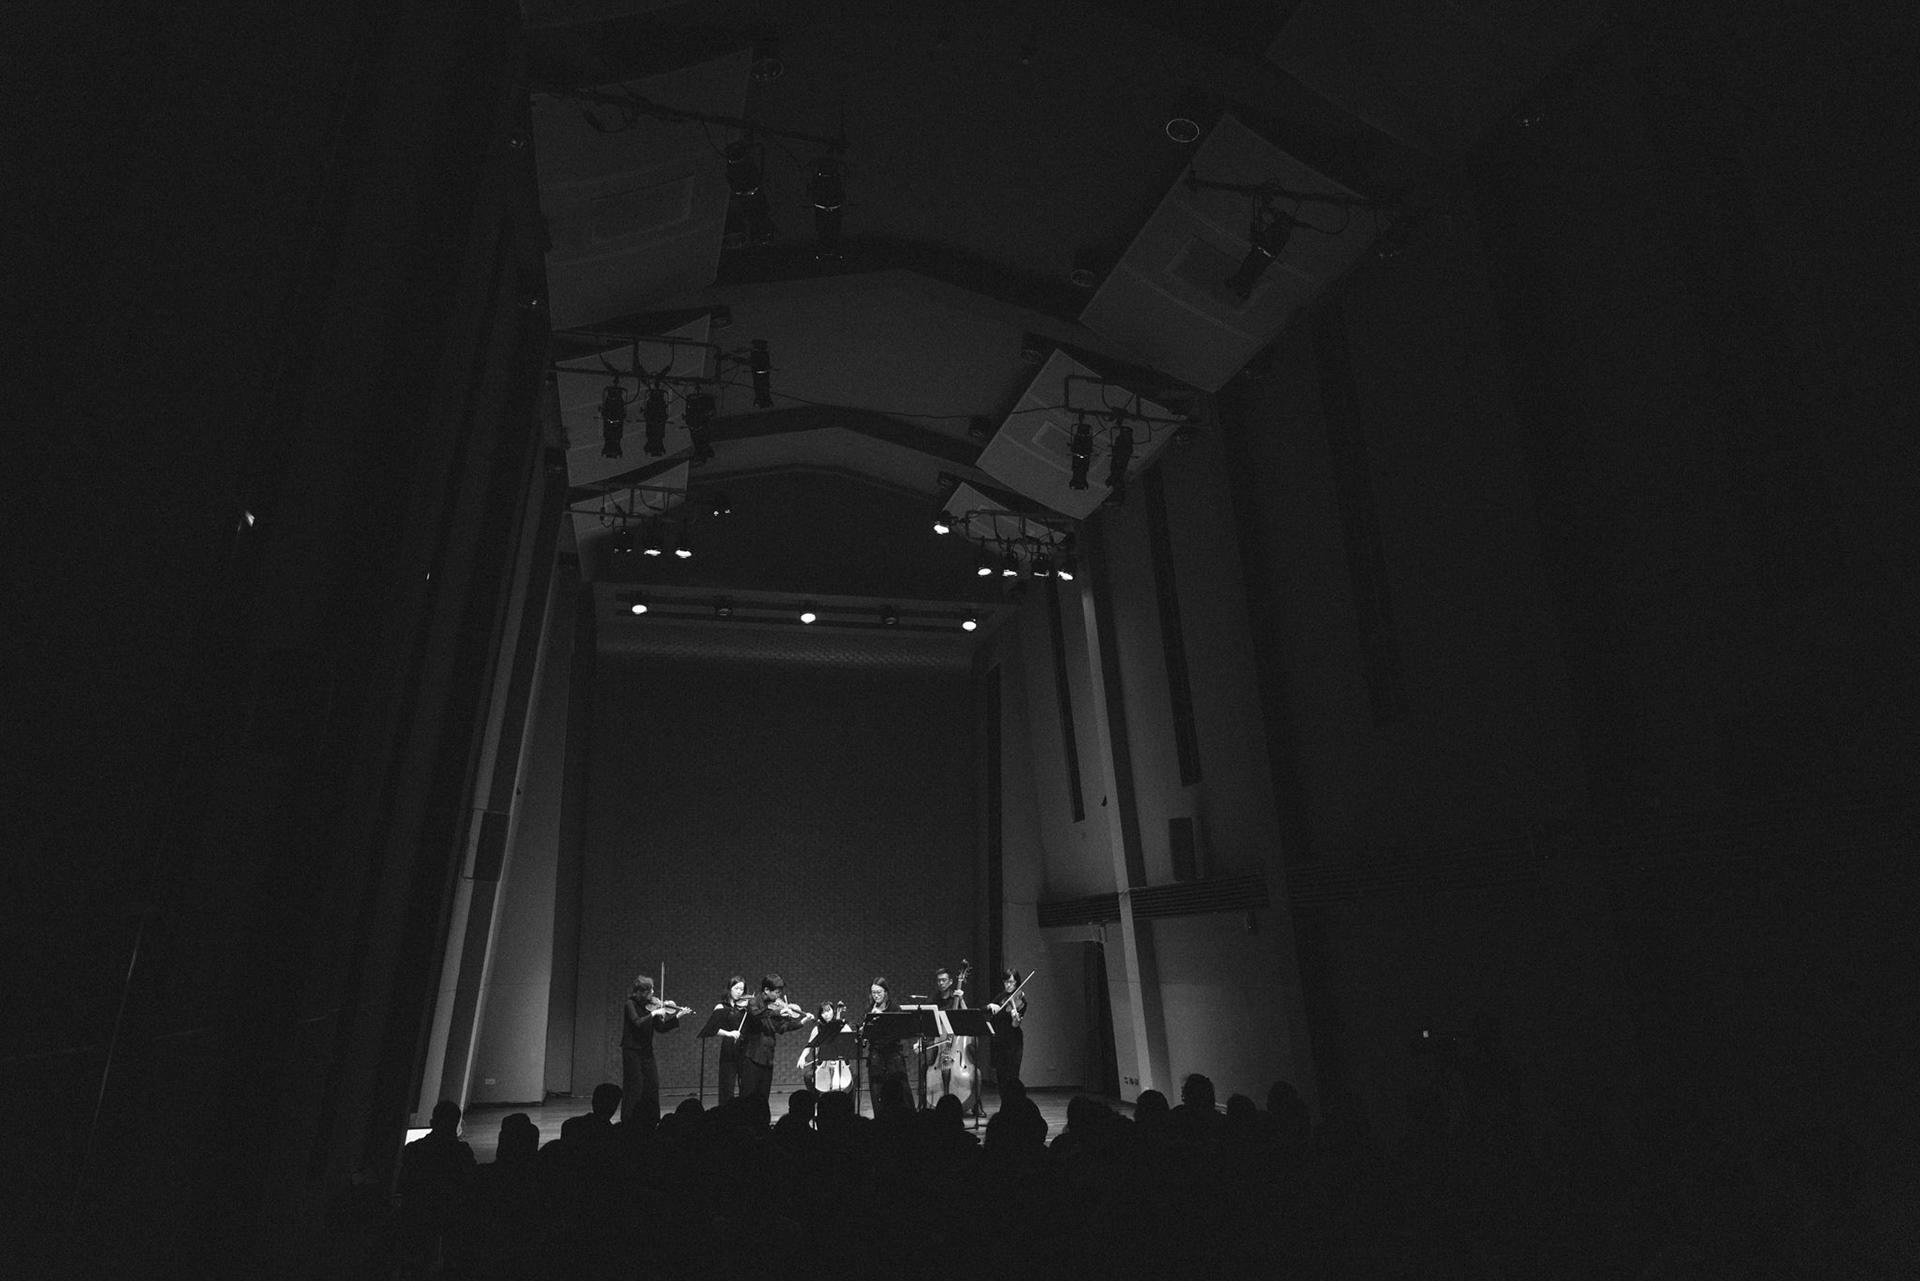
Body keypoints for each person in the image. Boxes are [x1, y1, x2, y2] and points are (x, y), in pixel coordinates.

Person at [720, 972, 812, 1102]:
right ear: (767, 990)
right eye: (776, 992)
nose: (778, 996)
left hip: (768, 1058)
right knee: (747, 1098)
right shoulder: (754, 1002)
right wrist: (777, 1012)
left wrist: (802, 1022)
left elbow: (781, 1027)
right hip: (752, 1058)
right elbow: (756, 1014)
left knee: (763, 1098)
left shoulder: (774, 1007)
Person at [620, 975, 686, 1126]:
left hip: (646, 1050)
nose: (654, 993)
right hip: (632, 1050)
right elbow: (637, 1023)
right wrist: (654, 1014)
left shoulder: (652, 1006)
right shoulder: (630, 1004)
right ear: (642, 992)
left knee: (652, 1085)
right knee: (634, 1086)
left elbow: (660, 1028)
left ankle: (653, 1119)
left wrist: (677, 1016)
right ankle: (628, 1120)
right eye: (650, 990)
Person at [860, 977, 906, 1117]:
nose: (876, 996)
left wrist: (881, 1017)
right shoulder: (869, 1009)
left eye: (879, 992)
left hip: (893, 1052)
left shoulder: (895, 1008)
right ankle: (879, 1119)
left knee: (901, 1087)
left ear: (886, 992)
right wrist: (864, 1029)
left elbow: (900, 1031)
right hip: (876, 1052)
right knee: (876, 1090)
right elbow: (866, 1037)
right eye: (873, 993)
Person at [986, 967, 1029, 1093]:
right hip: (1000, 1042)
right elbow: (985, 1010)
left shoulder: (1021, 1000)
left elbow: (1015, 1025)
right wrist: (990, 1005)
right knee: (1001, 1077)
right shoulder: (1001, 997)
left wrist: (1015, 1019)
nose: (1008, 985)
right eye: (1006, 982)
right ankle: (1004, 1102)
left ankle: (1014, 1102)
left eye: (1011, 982)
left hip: (1014, 1044)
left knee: (1013, 1077)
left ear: (1017, 982)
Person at [713, 975, 750, 1104]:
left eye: (742, 989)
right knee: (727, 1086)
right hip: (729, 1047)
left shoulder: (745, 1007)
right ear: (730, 989)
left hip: (745, 1048)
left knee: (746, 1086)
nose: (739, 992)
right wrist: (729, 1033)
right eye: (737, 988)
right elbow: (713, 1029)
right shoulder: (721, 1007)